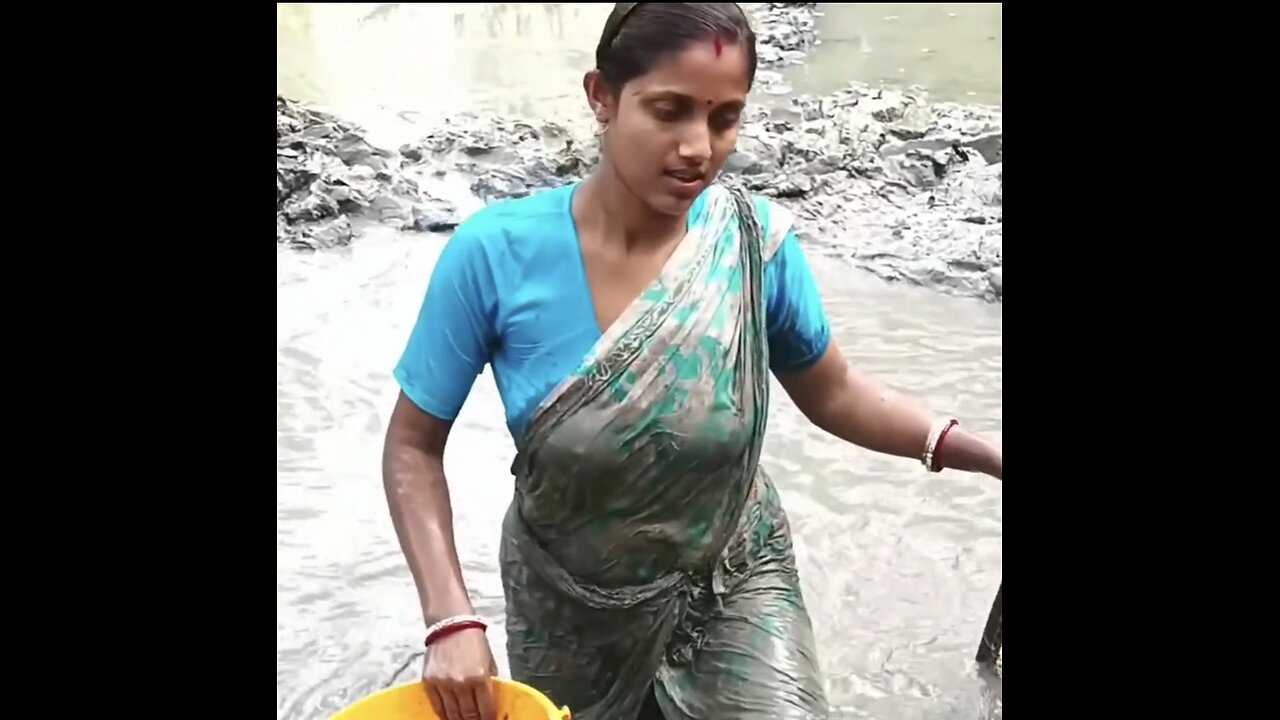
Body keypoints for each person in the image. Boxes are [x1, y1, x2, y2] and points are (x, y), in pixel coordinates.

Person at [381, 3, 1003, 720]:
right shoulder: (494, 255)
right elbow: (412, 446)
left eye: (724, 118)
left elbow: (834, 391)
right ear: (601, 98)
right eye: (669, 111)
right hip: (570, 605)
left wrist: (985, 454)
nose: (698, 148)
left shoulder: (751, 243)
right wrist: (451, 620)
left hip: (735, 579)